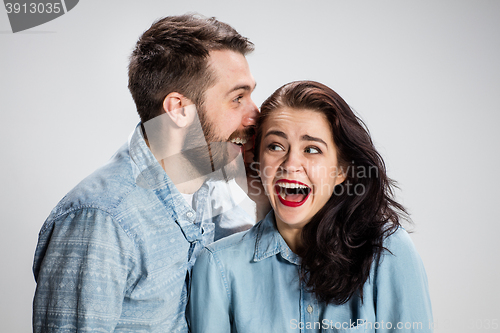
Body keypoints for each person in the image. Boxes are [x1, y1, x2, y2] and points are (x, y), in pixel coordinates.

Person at [32, 14, 260, 332]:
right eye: (238, 98)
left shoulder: (207, 184)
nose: (256, 115)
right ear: (179, 110)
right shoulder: (101, 220)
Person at [188, 81, 433, 332]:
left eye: (312, 149)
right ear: (257, 161)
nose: (291, 164)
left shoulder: (389, 252)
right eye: (275, 146)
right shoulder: (217, 266)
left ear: (341, 170)